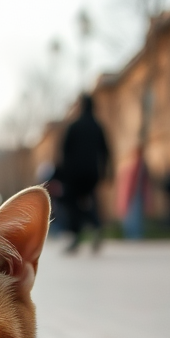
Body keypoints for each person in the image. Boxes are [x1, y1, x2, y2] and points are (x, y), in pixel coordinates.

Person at [54, 93, 110, 253]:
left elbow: (64, 152)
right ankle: (96, 225)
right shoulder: (98, 126)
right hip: (92, 173)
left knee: (73, 204)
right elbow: (106, 151)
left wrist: (62, 175)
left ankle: (76, 236)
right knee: (90, 201)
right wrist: (105, 172)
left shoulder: (74, 126)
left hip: (74, 174)